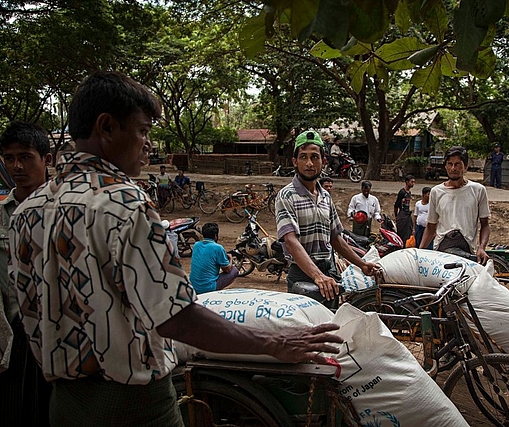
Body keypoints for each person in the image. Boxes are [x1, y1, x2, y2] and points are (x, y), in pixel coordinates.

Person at [7, 71, 343, 427]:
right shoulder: (125, 205)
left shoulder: (26, 211)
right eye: (143, 131)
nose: (148, 144)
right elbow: (176, 317)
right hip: (135, 406)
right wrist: (273, 343)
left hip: (63, 404)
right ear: (106, 128)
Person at [275, 130, 377, 301]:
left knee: (333, 322)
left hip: (328, 269)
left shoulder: (325, 197)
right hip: (302, 274)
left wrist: (362, 264)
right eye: (303, 157)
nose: (309, 163)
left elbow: (336, 238)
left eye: (314, 157)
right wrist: (317, 276)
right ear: (295, 161)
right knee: (306, 326)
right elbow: (291, 241)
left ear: (323, 161)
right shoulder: (286, 196)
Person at [0, 121, 52, 426]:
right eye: (9, 158)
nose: (17, 166)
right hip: (13, 335)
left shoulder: (65, 211)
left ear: (46, 159)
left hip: (56, 334)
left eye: (26, 157)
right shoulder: (3, 215)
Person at [418, 146, 490, 265]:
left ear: (465, 166)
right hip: (442, 247)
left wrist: (481, 248)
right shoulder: (436, 192)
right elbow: (431, 227)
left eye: (457, 164)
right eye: (450, 164)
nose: (453, 168)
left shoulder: (478, 190)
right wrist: (420, 252)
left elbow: (485, 225)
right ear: (445, 166)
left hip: (467, 247)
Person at [190, 223, 239, 294]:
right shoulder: (218, 248)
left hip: (193, 285)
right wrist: (230, 259)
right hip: (207, 287)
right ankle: (215, 292)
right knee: (234, 270)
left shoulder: (196, 245)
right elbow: (227, 270)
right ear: (215, 236)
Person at [393, 174, 415, 245]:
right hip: (402, 214)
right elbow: (396, 205)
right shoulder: (402, 192)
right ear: (407, 182)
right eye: (411, 182)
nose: (413, 184)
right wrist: (396, 216)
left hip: (407, 214)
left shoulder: (409, 192)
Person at [413, 186, 432, 250]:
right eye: (428, 194)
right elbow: (415, 215)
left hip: (427, 228)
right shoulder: (418, 204)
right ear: (424, 194)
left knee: (427, 244)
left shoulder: (431, 205)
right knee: (418, 242)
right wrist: (414, 227)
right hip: (419, 227)